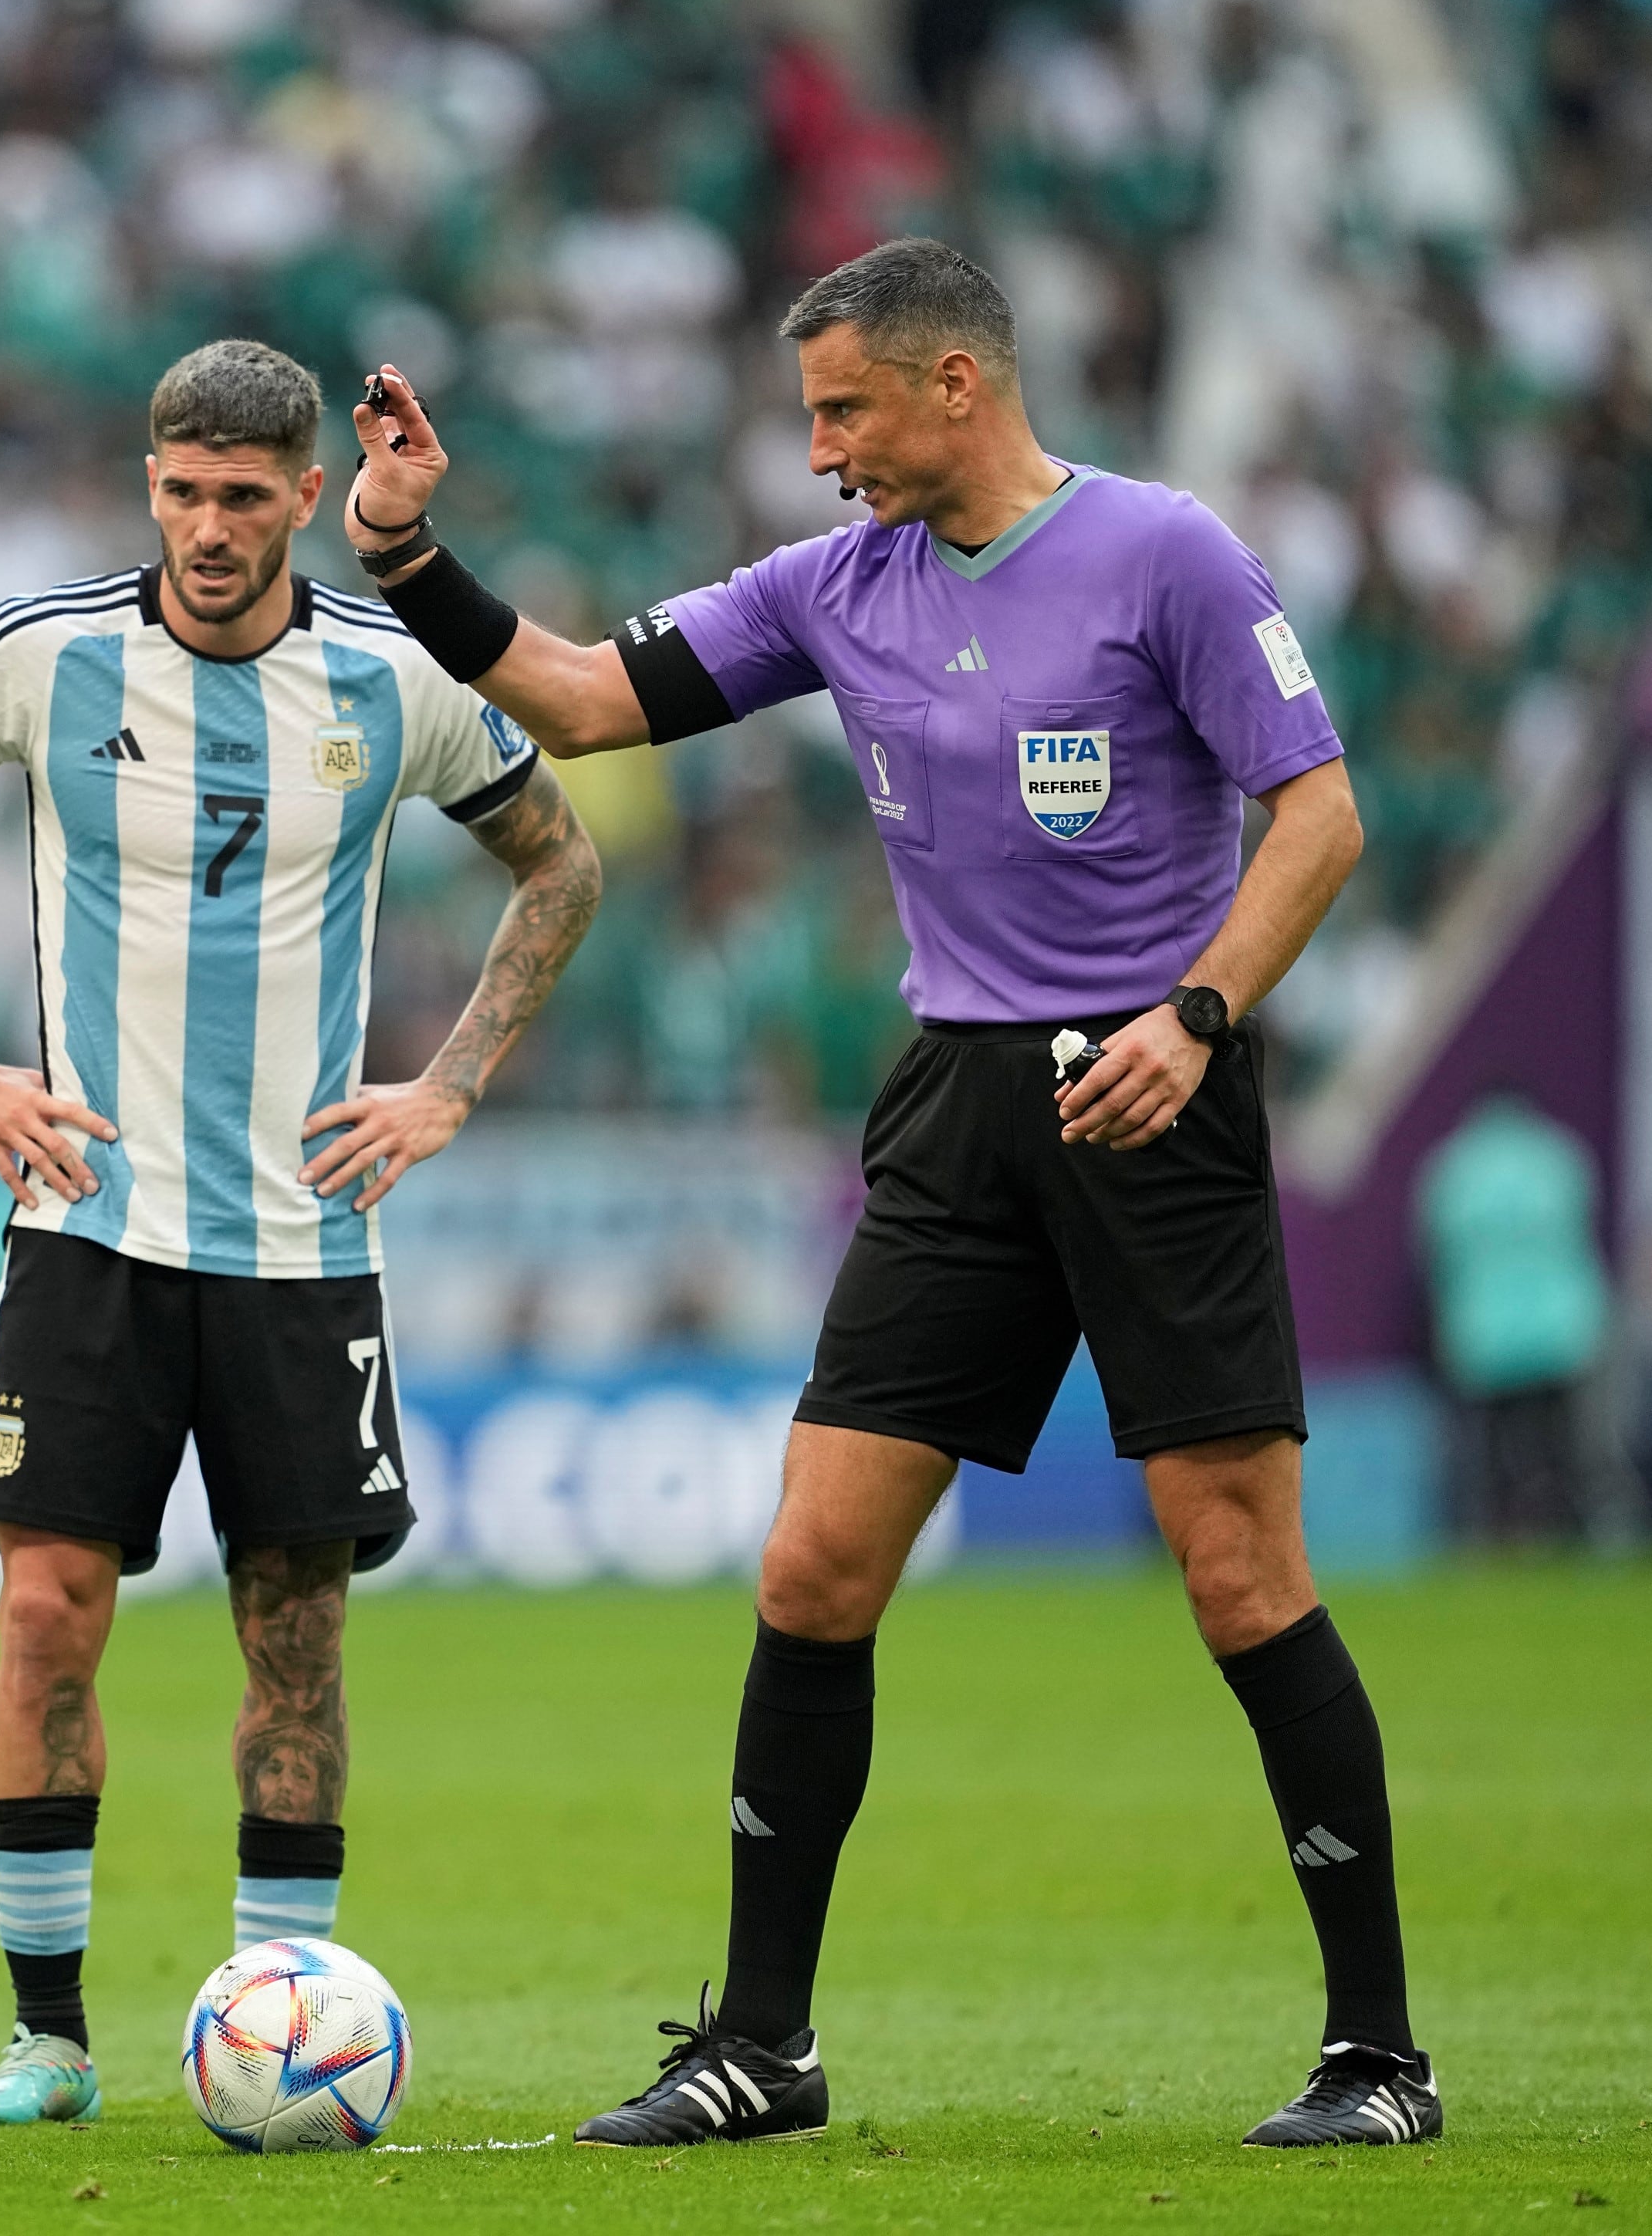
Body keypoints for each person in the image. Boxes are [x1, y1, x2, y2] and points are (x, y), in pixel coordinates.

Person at [341, 236, 1432, 2150]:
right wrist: (406, 556)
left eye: (841, 408)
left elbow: (1317, 809)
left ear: (954, 384)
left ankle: (1375, 2056)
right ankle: (760, 2040)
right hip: (951, 1107)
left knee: (1237, 1570)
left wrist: (1192, 1014)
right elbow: (583, 701)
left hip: (1147, 1085)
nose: (818, 448)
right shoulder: (829, 585)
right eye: (806, 415)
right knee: (810, 1562)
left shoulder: (1164, 552)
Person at [0, 339, 603, 2129]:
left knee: (292, 1638)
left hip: (299, 1248)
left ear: (303, 495)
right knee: (44, 1615)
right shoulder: (38, 652)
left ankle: (282, 2012)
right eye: (179, 491)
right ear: (144, 481)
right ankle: (47, 2039)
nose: (207, 527)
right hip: (84, 1230)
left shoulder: (389, 681)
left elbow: (561, 861)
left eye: (243, 496)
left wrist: (444, 1086)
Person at [1417, 1091, 1610, 1542]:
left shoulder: (1453, 1167)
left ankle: (1492, 1536)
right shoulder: (1559, 1156)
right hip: (1561, 1332)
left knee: (1489, 1456)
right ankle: (1573, 1533)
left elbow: (1434, 1255)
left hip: (1484, 1336)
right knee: (1565, 1448)